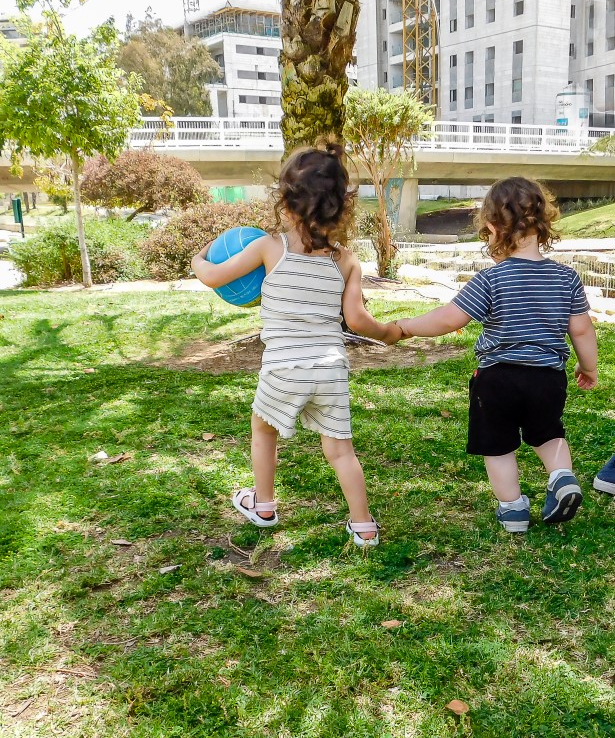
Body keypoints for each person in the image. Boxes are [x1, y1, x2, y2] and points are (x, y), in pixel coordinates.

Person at [191, 143, 402, 546]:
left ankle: (264, 504)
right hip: (330, 367)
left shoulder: (271, 247)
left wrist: (200, 257)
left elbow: (213, 277)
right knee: (340, 449)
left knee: (263, 428)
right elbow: (356, 320)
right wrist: (390, 332)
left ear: (285, 203)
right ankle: (364, 525)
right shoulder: (345, 260)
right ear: (341, 209)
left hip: (283, 367)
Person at [395, 177, 598, 533]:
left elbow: (448, 319)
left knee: (499, 446)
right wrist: (588, 366)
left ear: (492, 228)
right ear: (543, 224)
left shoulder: (492, 279)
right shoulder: (566, 278)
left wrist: (407, 326)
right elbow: (581, 329)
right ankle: (562, 477)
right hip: (548, 378)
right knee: (548, 433)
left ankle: (514, 510)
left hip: (498, 378)